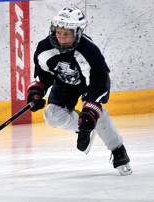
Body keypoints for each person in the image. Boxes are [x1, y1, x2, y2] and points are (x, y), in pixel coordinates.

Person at [27, 7, 132, 175]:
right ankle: (84, 127)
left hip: (90, 85)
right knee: (52, 115)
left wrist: (91, 110)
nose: (61, 38)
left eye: (66, 34)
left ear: (78, 33)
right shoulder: (44, 48)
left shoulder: (90, 51)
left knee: (96, 115)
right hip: (65, 83)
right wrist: (36, 91)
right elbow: (43, 73)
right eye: (58, 32)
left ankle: (118, 149)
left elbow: (99, 81)